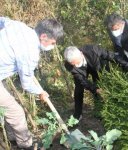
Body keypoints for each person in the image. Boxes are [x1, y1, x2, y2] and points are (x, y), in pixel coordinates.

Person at [0, 17, 63, 149]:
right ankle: (26, 144)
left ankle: (13, 136)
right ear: (44, 36)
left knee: (8, 104)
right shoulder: (31, 52)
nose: (53, 46)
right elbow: (26, 84)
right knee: (16, 112)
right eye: (52, 42)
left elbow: (2, 20)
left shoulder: (20, 26)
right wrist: (41, 92)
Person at [64, 45, 115, 120]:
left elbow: (110, 55)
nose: (76, 65)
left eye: (77, 62)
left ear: (81, 54)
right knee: (78, 90)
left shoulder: (92, 51)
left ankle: (99, 110)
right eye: (73, 64)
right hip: (82, 72)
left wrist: (127, 65)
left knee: (98, 83)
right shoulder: (69, 65)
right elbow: (82, 80)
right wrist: (95, 89)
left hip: (96, 66)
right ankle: (77, 115)